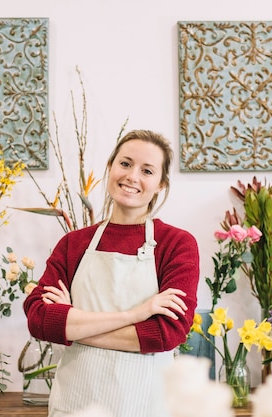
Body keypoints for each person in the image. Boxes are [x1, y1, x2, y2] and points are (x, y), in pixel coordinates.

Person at [23, 129, 200, 417]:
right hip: (75, 404)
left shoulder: (177, 244)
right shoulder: (73, 244)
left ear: (160, 184)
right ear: (110, 168)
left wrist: (72, 324)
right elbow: (40, 320)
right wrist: (134, 315)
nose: (132, 176)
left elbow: (166, 333)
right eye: (125, 164)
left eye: (147, 170)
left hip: (145, 406)